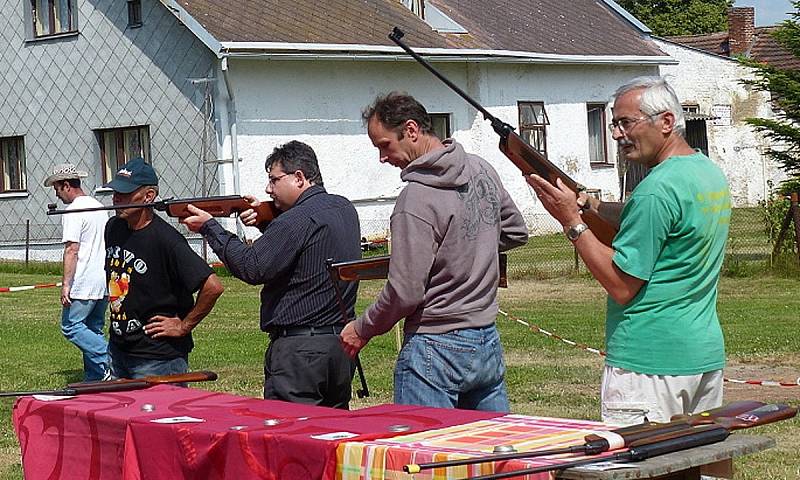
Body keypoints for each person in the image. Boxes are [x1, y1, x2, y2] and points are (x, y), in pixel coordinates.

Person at [527, 76, 730, 425]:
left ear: (666, 122)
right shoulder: (706, 173)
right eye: (613, 124)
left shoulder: (656, 190)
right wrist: (594, 206)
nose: (617, 135)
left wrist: (572, 222)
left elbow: (621, 285)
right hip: (701, 355)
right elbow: (661, 219)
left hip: (648, 363)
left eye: (626, 123)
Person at [340, 92, 529, 412]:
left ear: (411, 130)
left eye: (384, 145)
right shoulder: (481, 170)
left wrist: (362, 328)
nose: (382, 158)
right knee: (491, 457)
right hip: (485, 342)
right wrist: (468, 247)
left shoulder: (415, 200)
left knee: (426, 459)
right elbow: (514, 231)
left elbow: (405, 291)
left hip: (434, 347)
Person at [182, 141, 361, 409]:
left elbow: (252, 267)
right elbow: (301, 251)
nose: (268, 189)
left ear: (299, 178)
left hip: (299, 352)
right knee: (331, 437)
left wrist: (210, 228)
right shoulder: (343, 208)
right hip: (339, 345)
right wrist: (267, 219)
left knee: (291, 437)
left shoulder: (294, 220)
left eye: (274, 180)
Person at [104, 157, 224, 379]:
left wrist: (183, 326)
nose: (116, 199)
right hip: (119, 350)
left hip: (158, 358)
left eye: (125, 193)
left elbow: (213, 286)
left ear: (148, 196)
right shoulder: (113, 228)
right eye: (115, 193)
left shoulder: (167, 240)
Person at [44, 164, 110, 381]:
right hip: (103, 280)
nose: (56, 193)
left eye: (57, 188)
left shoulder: (73, 211)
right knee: (93, 328)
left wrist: (66, 284)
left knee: (71, 327)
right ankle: (96, 377)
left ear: (66, 185)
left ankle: (112, 358)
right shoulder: (99, 207)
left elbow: (72, 249)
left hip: (84, 281)